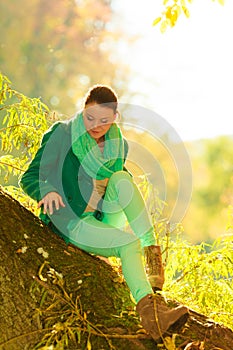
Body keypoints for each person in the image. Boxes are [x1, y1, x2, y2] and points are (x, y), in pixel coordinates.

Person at [20, 85, 188, 342]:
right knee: (127, 243)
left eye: (104, 121)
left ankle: (152, 252)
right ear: (83, 109)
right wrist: (48, 191)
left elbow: (123, 187)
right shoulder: (63, 134)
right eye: (90, 117)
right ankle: (153, 317)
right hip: (73, 219)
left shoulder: (117, 145)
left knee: (122, 177)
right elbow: (29, 176)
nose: (96, 125)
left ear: (114, 119)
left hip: (103, 214)